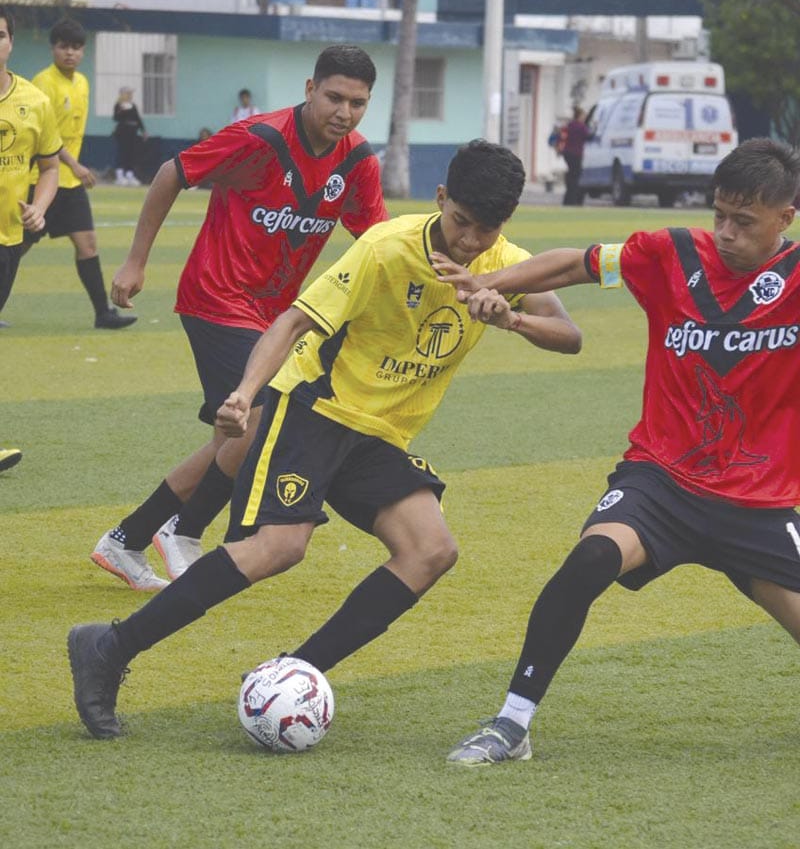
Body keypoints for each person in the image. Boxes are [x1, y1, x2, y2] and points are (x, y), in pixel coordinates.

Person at [67, 138, 583, 740]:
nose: (470, 241)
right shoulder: (385, 249)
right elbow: (292, 321)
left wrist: (510, 316)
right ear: (441, 199)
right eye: (461, 222)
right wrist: (243, 395)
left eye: (486, 229)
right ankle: (109, 647)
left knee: (431, 550)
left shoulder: (506, 264)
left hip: (378, 435)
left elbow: (569, 335)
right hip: (315, 406)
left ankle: (295, 675)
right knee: (280, 546)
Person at [435, 137, 800, 766]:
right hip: (662, 481)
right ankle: (512, 725)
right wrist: (488, 282)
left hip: (759, 501)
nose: (725, 231)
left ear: (784, 218)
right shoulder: (670, 252)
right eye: (719, 214)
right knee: (589, 560)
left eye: (744, 221)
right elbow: (573, 264)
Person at [89, 44, 388, 593]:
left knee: (240, 432)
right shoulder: (259, 139)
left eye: (359, 103)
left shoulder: (357, 161)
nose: (344, 112)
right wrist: (135, 261)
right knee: (266, 416)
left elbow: (374, 241)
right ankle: (185, 528)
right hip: (215, 295)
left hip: (273, 318)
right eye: (335, 97)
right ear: (309, 89)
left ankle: (129, 539)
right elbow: (171, 173)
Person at [20, 18, 136, 330]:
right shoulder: (43, 84)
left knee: (87, 244)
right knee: (15, 247)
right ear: (53, 48)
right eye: (63, 47)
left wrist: (72, 169)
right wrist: (75, 164)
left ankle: (103, 314)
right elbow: (47, 135)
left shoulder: (82, 82)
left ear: (83, 51)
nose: (69, 53)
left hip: (68, 184)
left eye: (76, 47)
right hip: (40, 181)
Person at [0, 4, 60, 327]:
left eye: (0, 35)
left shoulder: (36, 102)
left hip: (9, 237)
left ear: (11, 42)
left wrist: (39, 207)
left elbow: (50, 167)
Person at [112, 86, 146, 186]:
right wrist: (121, 110)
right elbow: (116, 118)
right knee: (122, 153)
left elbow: (138, 118)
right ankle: (120, 176)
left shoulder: (133, 105)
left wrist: (143, 130)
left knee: (131, 154)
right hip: (123, 132)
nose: (130, 95)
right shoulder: (119, 105)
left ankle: (130, 175)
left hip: (132, 132)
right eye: (128, 93)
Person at [561, 106, 592, 206]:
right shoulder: (581, 126)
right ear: (580, 116)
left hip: (567, 153)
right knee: (576, 177)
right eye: (583, 116)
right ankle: (573, 199)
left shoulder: (570, 125)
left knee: (571, 175)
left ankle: (567, 199)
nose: (584, 118)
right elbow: (588, 136)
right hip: (576, 153)